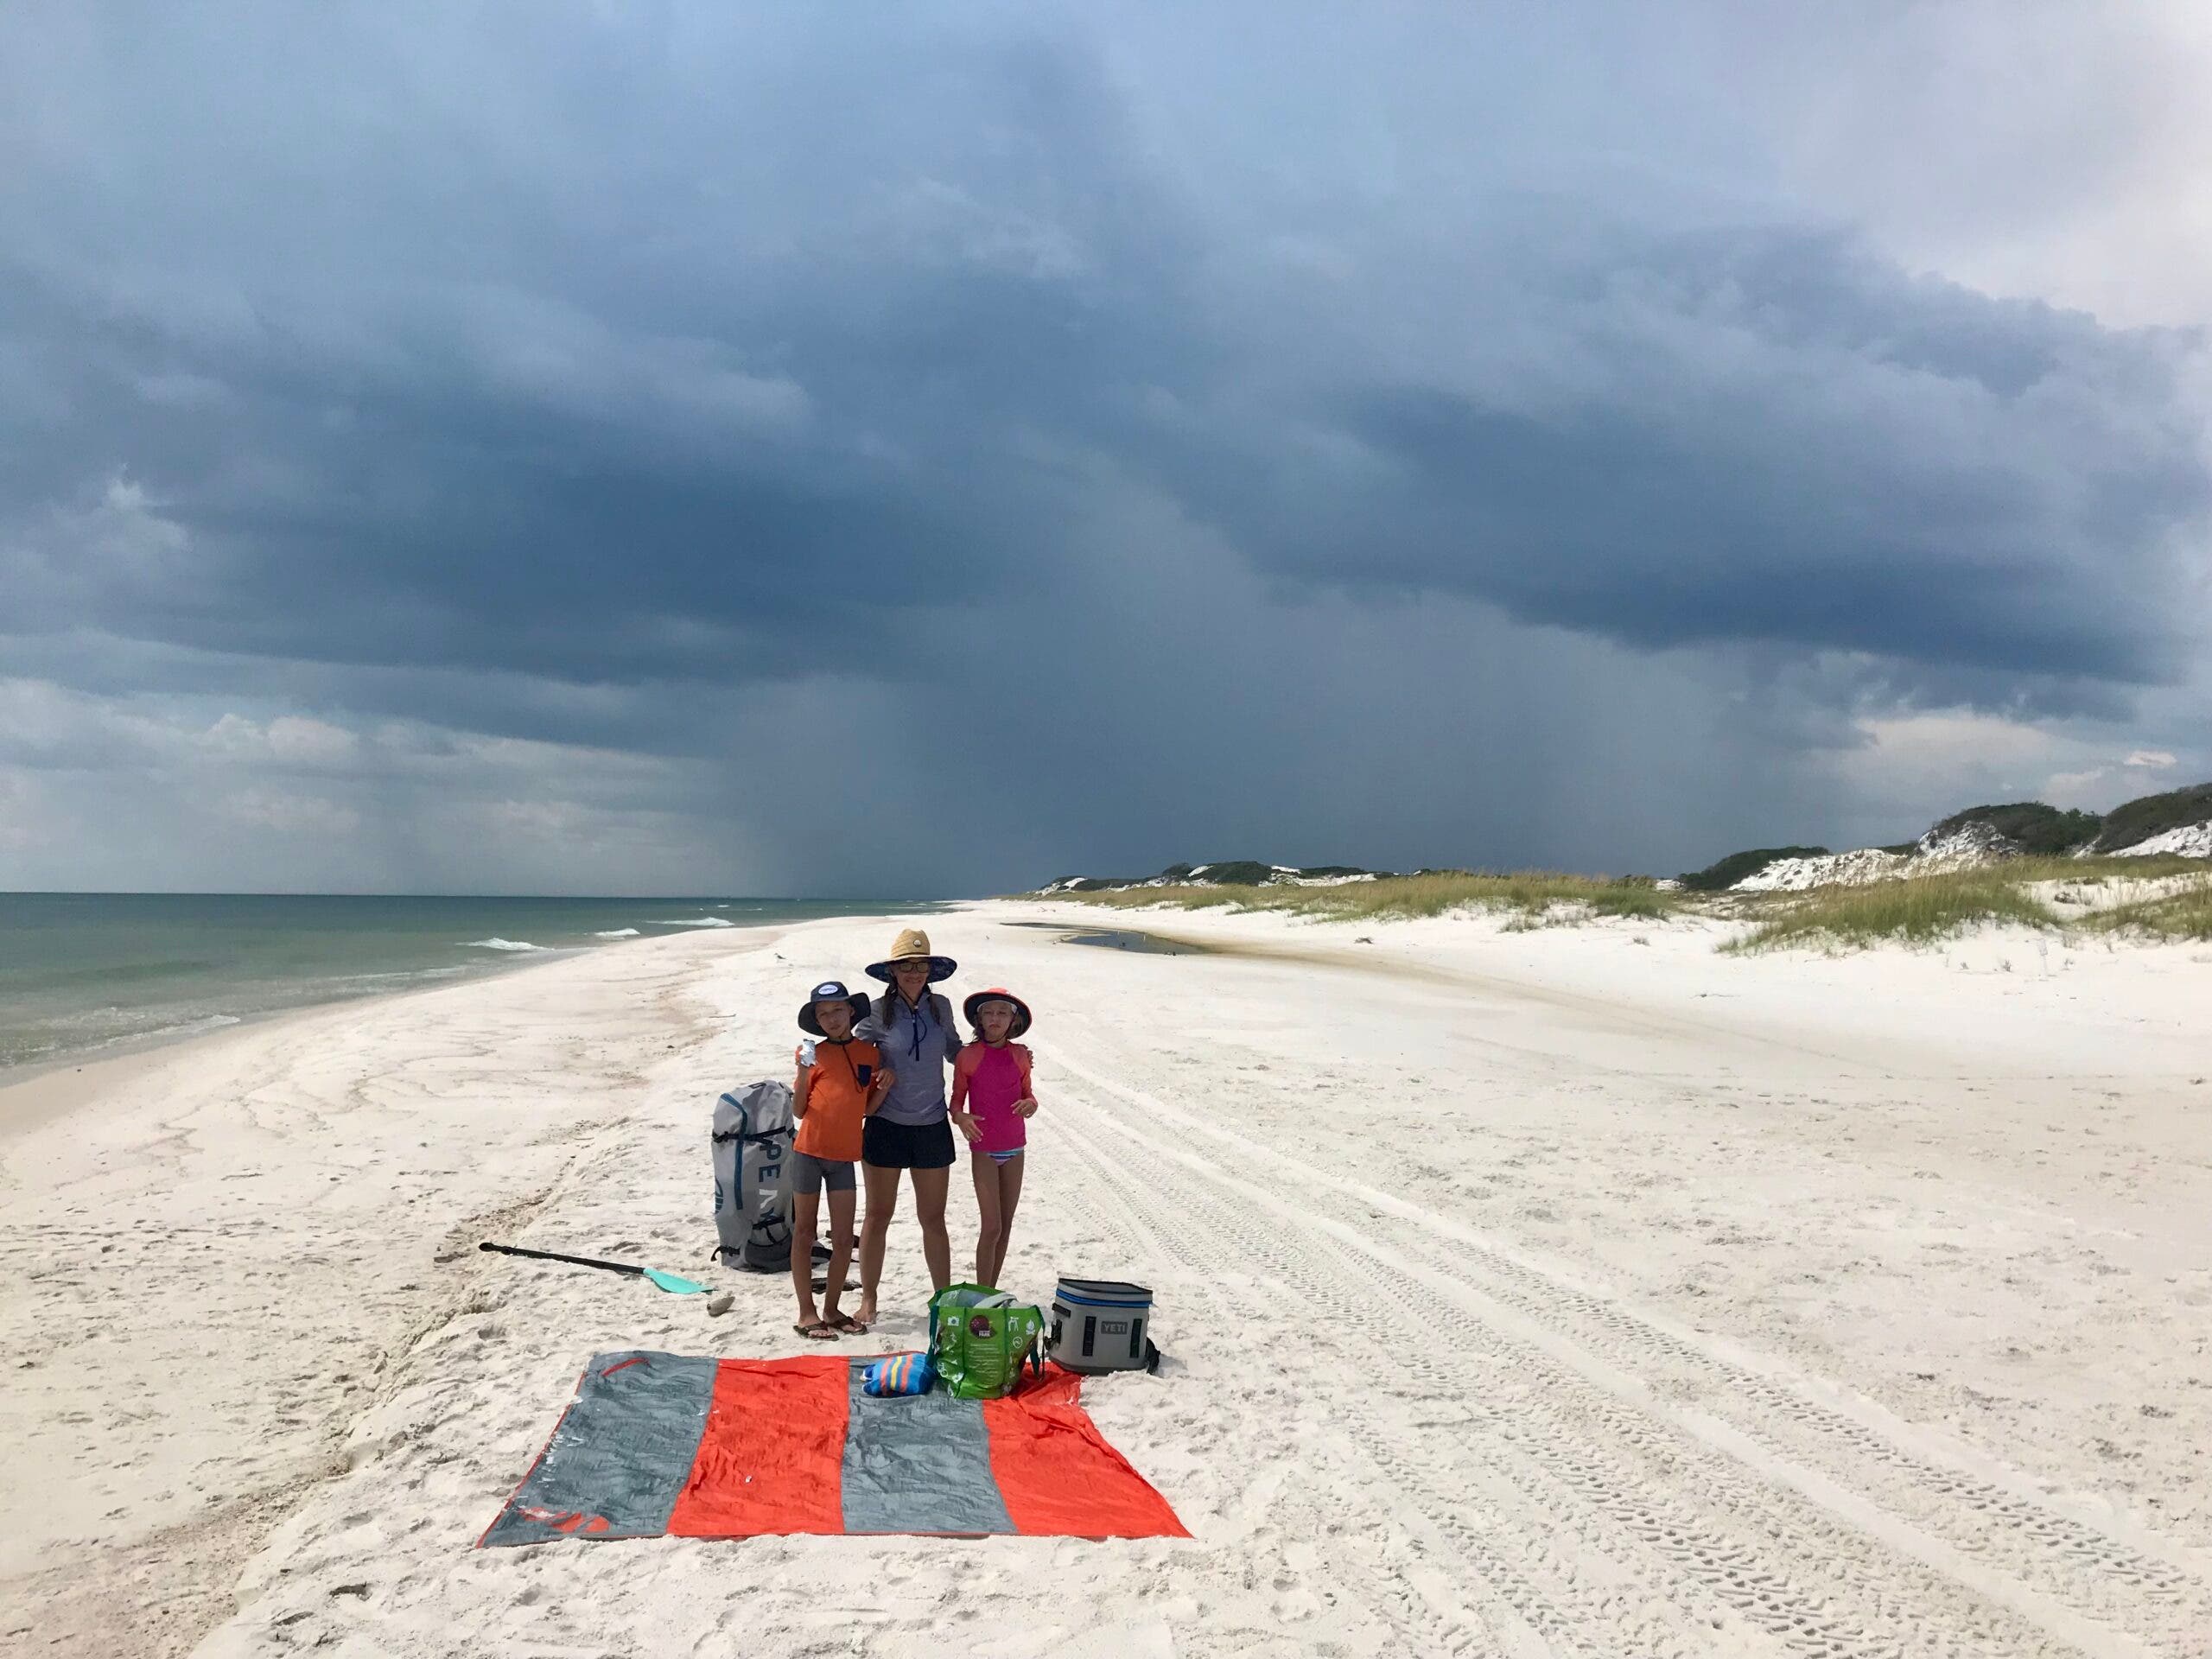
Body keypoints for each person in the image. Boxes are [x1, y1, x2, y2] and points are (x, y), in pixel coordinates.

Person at [853, 928, 962, 1326]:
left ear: (930, 970)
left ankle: (943, 1300)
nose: (915, 972)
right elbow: (854, 1054)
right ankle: (868, 1299)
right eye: (906, 966)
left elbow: (954, 1049)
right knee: (877, 1215)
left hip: (931, 1124)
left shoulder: (941, 1007)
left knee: (934, 1219)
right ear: (893, 971)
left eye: (921, 965)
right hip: (885, 1126)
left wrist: (1000, 1056)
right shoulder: (876, 1014)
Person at [790, 980, 889, 1339]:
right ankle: (806, 1312)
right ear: (816, 1020)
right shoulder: (812, 1053)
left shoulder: (870, 1053)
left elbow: (866, 1110)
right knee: (804, 1232)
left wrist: (885, 1087)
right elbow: (799, 1111)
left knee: (846, 1238)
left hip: (844, 1158)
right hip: (808, 1153)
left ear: (851, 1011)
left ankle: (831, 1309)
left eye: (837, 1010)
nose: (831, 1018)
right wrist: (802, 1072)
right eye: (823, 1013)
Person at [950, 988, 1038, 1289]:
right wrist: (961, 1119)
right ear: (980, 1018)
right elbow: (956, 1102)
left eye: (1002, 1013)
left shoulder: (1021, 1055)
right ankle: (980, 1291)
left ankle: (991, 1289)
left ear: (1013, 1019)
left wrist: (1031, 1105)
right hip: (984, 1149)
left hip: (1016, 1147)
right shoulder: (968, 1056)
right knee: (992, 1226)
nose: (995, 1018)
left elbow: (1029, 1095)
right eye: (989, 1012)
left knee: (1006, 1225)